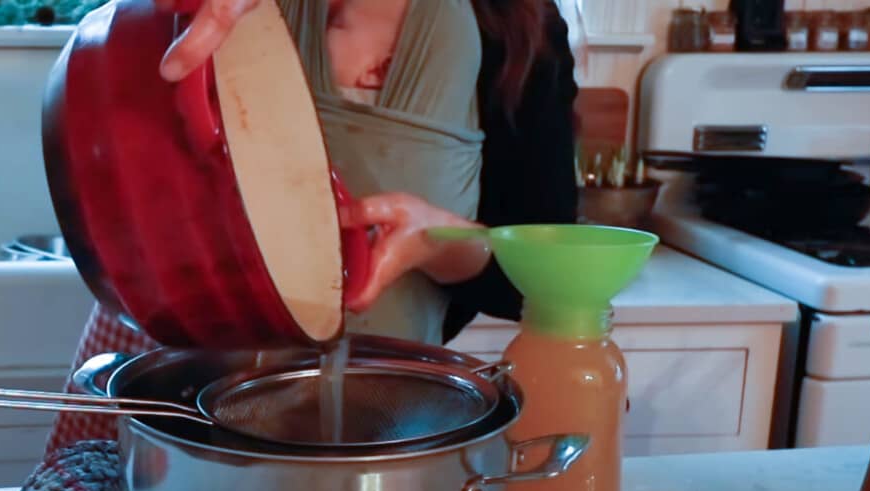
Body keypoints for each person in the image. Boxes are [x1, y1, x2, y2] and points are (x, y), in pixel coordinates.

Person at [45, 0, 579, 452]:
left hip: (380, 406)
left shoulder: (516, 28)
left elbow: (542, 276)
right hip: (170, 364)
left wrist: (437, 242)